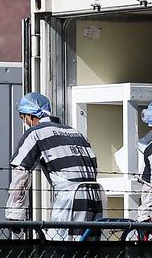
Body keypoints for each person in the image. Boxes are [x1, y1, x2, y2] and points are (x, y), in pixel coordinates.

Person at [6, 92, 103, 238]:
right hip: (96, 197)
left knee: (59, 252)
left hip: (70, 199)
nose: (25, 122)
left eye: (23, 117)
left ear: (31, 115)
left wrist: (15, 214)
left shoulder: (36, 132)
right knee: (89, 256)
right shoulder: (76, 133)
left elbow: (21, 171)